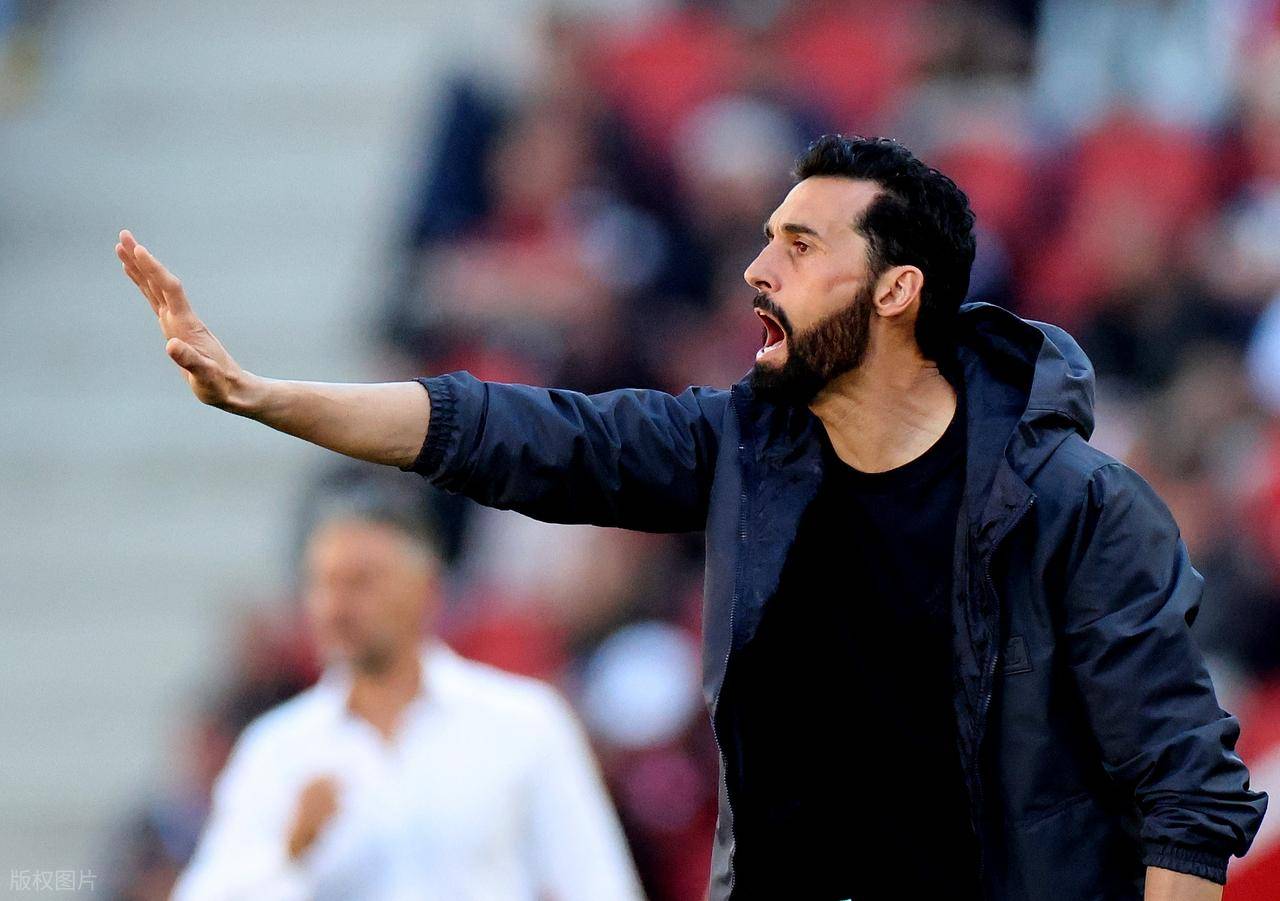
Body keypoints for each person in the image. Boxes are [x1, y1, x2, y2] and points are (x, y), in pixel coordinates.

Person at [118, 134, 1267, 900]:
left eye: (798, 246)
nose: (756, 268)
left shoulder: (1077, 506)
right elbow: (522, 433)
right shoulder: (738, 454)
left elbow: (1182, 790)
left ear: (896, 290)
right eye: (765, 238)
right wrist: (267, 397)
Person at [170, 497, 644, 900]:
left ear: (427, 589)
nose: (336, 606)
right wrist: (288, 852)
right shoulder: (276, 748)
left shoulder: (525, 722)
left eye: (362, 582)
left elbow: (597, 884)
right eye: (323, 583)